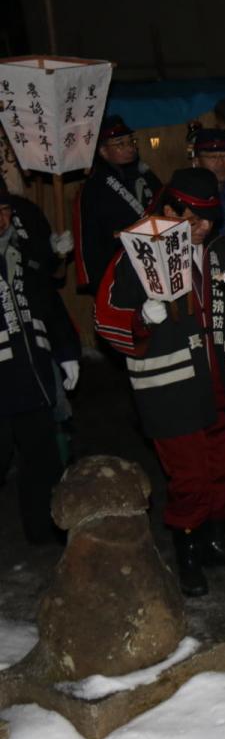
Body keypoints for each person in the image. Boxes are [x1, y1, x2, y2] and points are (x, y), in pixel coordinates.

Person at [94, 168, 225, 597]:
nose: (203, 227)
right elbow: (106, 318)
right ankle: (187, 554)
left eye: (210, 218)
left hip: (222, 377)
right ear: (169, 210)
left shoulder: (222, 251)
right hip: (171, 386)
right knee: (190, 478)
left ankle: (215, 542)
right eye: (194, 217)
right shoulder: (138, 252)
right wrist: (142, 319)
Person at [0, 190, 80, 544]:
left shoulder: (23, 255)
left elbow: (50, 304)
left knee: (42, 458)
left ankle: (43, 532)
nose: (1, 219)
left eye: (3, 211)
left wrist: (66, 352)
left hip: (31, 376)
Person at [76, 116, 162, 293]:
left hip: (155, 259)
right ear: (103, 151)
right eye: (120, 144)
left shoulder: (146, 175)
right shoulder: (94, 187)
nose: (130, 147)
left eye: (131, 141)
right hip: (118, 267)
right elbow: (91, 238)